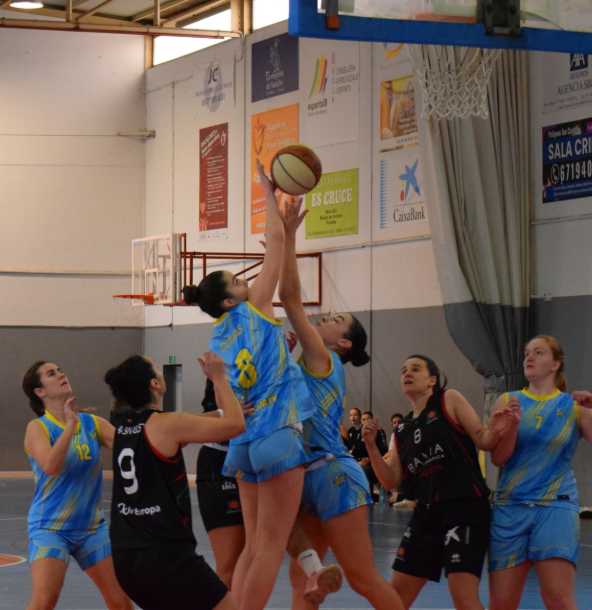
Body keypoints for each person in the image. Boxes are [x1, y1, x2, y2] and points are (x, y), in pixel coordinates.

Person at [182, 160, 315, 610]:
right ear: (229, 299)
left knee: (252, 548)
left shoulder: (219, 336)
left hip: (242, 443)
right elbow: (275, 242)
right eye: (239, 280)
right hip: (277, 431)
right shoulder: (255, 307)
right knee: (270, 551)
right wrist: (267, 190)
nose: (248, 281)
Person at [278, 196, 405, 610]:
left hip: (332, 471)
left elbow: (290, 298)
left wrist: (289, 236)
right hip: (303, 472)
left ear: (344, 343)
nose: (324, 318)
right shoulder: (306, 360)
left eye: (335, 320)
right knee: (304, 579)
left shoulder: (324, 357)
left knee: (363, 578)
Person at [362, 354, 516, 610]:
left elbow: (484, 440)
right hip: (426, 515)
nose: (407, 373)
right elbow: (390, 481)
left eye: (415, 369)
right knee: (394, 598)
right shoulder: (402, 429)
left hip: (464, 508)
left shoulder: (448, 399)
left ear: (432, 380)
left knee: (463, 598)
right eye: (403, 370)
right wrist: (370, 447)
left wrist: (497, 429)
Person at [488, 335, 592, 610]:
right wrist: (512, 426)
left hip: (555, 507)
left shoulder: (573, 407)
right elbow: (498, 458)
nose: (529, 357)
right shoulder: (508, 400)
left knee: (559, 599)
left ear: (555, 364)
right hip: (510, 507)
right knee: (501, 603)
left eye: (538, 353)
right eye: (527, 352)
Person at [106, 352, 245, 610]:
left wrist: (223, 412)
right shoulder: (166, 424)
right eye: (157, 368)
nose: (161, 371)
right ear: (154, 383)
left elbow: (194, 423)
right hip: (165, 555)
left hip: (125, 558)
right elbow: (236, 424)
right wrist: (218, 378)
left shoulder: (123, 427)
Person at [22, 362, 133, 610]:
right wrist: (70, 426)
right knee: (44, 602)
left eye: (60, 370)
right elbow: (50, 465)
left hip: (92, 529)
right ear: (40, 391)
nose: (61, 374)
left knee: (122, 603)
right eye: (51, 374)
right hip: (51, 529)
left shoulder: (93, 424)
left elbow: (134, 449)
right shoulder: (38, 428)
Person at [196, 379, 245, 589]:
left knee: (252, 558)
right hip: (220, 461)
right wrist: (229, 412)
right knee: (230, 565)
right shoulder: (221, 366)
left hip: (254, 459)